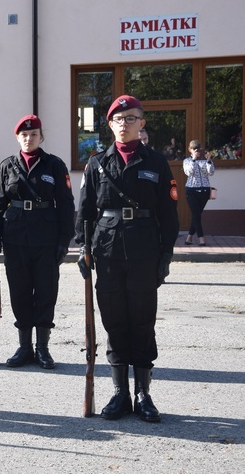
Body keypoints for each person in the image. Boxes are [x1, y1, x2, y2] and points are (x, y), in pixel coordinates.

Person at [76, 95, 179, 423]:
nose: (125, 124)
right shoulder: (97, 163)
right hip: (106, 252)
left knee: (142, 320)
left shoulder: (156, 163)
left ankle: (143, 393)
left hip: (144, 251)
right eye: (119, 119)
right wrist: (83, 248)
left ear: (142, 123)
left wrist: (166, 255)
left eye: (131, 118)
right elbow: (86, 210)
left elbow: (169, 212)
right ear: (110, 125)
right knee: (114, 320)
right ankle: (120, 392)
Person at [0, 114, 75, 369]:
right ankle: (24, 347)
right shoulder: (7, 166)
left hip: (46, 238)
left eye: (33, 134)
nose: (28, 139)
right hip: (15, 238)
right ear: (18, 138)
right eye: (24, 135)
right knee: (20, 292)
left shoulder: (55, 165)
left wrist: (64, 239)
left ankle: (43, 349)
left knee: (46, 292)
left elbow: (66, 204)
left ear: (41, 137)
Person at [183, 140, 215, 246]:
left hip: (204, 190)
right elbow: (189, 172)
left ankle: (189, 237)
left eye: (198, 149)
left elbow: (211, 172)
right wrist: (193, 159)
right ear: (190, 150)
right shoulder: (187, 161)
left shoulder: (205, 161)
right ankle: (201, 238)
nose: (196, 151)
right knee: (196, 214)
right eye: (194, 149)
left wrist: (209, 160)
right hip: (191, 190)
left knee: (196, 215)